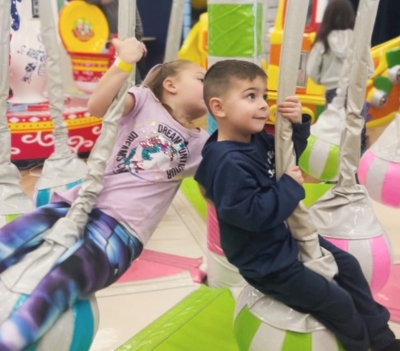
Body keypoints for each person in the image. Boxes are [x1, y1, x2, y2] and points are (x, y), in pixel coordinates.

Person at [0, 37, 208, 350]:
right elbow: (98, 106)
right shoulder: (143, 101)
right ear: (171, 85)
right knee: (11, 237)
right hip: (79, 202)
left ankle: (11, 339)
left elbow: (220, 184)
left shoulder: (202, 144)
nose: (211, 85)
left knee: (62, 281)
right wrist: (123, 62)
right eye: (202, 79)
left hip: (121, 231)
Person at [194, 59, 400, 351]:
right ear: (218, 108)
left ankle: (382, 340)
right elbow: (251, 215)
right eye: (250, 96)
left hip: (285, 238)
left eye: (264, 95)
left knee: (349, 267)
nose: (264, 104)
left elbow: (286, 157)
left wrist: (296, 125)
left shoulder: (253, 140)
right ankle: (363, 347)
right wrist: (290, 188)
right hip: (266, 261)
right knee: (337, 301)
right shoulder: (227, 161)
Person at [306, 0, 370, 154]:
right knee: (357, 130)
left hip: (333, 92)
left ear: (328, 16)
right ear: (350, 16)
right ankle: (357, 170)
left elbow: (311, 70)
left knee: (334, 132)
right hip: (356, 90)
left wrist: (322, 80)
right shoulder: (359, 40)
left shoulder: (323, 42)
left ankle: (334, 171)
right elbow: (370, 70)